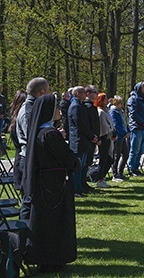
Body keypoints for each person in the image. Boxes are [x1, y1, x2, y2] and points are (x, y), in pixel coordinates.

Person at [22, 94, 79, 273]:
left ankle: (46, 259)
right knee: (54, 223)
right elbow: (67, 157)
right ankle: (53, 260)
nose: (59, 111)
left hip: (46, 183)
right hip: (52, 185)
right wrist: (75, 162)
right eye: (56, 108)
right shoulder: (49, 134)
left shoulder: (40, 131)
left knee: (45, 223)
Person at [17, 77, 51, 218]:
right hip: (28, 159)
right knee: (28, 199)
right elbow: (31, 136)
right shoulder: (28, 110)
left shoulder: (35, 107)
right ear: (41, 92)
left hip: (35, 158)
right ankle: (24, 235)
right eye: (48, 90)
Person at [68, 86, 99, 197]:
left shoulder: (80, 106)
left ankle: (80, 186)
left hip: (84, 140)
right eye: (82, 92)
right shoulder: (76, 106)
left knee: (83, 165)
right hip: (78, 140)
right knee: (78, 166)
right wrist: (92, 137)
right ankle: (75, 188)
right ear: (77, 94)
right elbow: (81, 125)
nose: (85, 94)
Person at [127, 82, 144, 176]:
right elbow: (133, 114)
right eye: (143, 88)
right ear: (138, 88)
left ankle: (136, 168)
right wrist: (143, 123)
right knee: (135, 150)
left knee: (141, 150)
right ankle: (131, 168)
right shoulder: (133, 99)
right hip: (136, 128)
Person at [95, 93, 116, 188]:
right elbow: (103, 126)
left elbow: (111, 124)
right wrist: (110, 132)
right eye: (105, 99)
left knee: (110, 159)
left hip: (109, 137)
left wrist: (113, 132)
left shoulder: (106, 111)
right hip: (104, 138)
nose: (107, 100)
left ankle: (101, 177)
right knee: (104, 159)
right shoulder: (100, 112)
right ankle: (99, 179)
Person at [109, 96, 130, 182]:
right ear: (116, 103)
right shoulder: (113, 112)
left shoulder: (120, 112)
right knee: (116, 156)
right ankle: (115, 173)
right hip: (117, 136)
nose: (122, 105)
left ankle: (121, 172)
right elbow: (115, 125)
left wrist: (128, 132)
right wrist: (124, 133)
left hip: (123, 137)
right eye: (121, 103)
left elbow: (125, 122)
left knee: (126, 154)